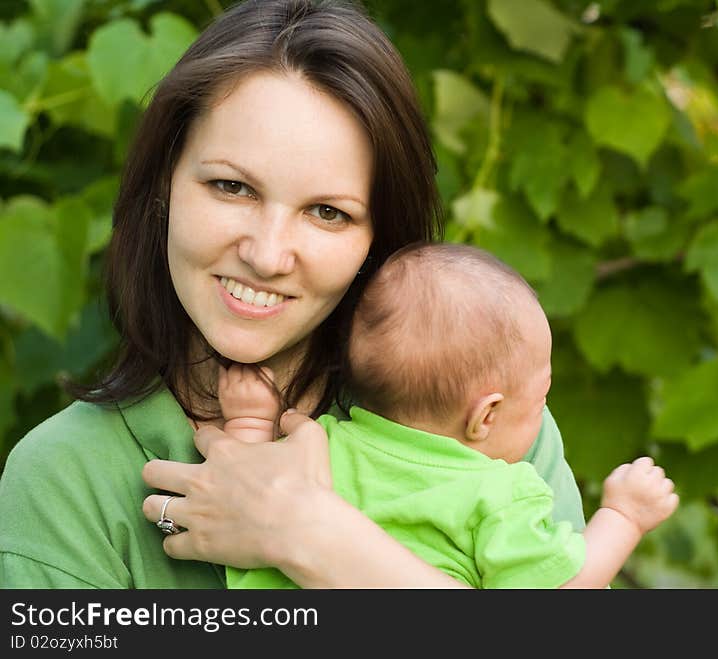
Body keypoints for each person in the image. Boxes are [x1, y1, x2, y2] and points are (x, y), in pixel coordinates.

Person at [0, 0, 588, 589]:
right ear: (164, 183)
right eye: (232, 187)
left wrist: (313, 538)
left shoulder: (482, 412)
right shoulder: (62, 478)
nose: (267, 255)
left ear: (379, 238)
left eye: (328, 212)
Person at [220, 243, 679, 589]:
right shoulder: (500, 494)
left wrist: (251, 422)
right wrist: (624, 516)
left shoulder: (318, 441)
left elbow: (243, 488)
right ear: (485, 416)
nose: (543, 416)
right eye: (540, 399)